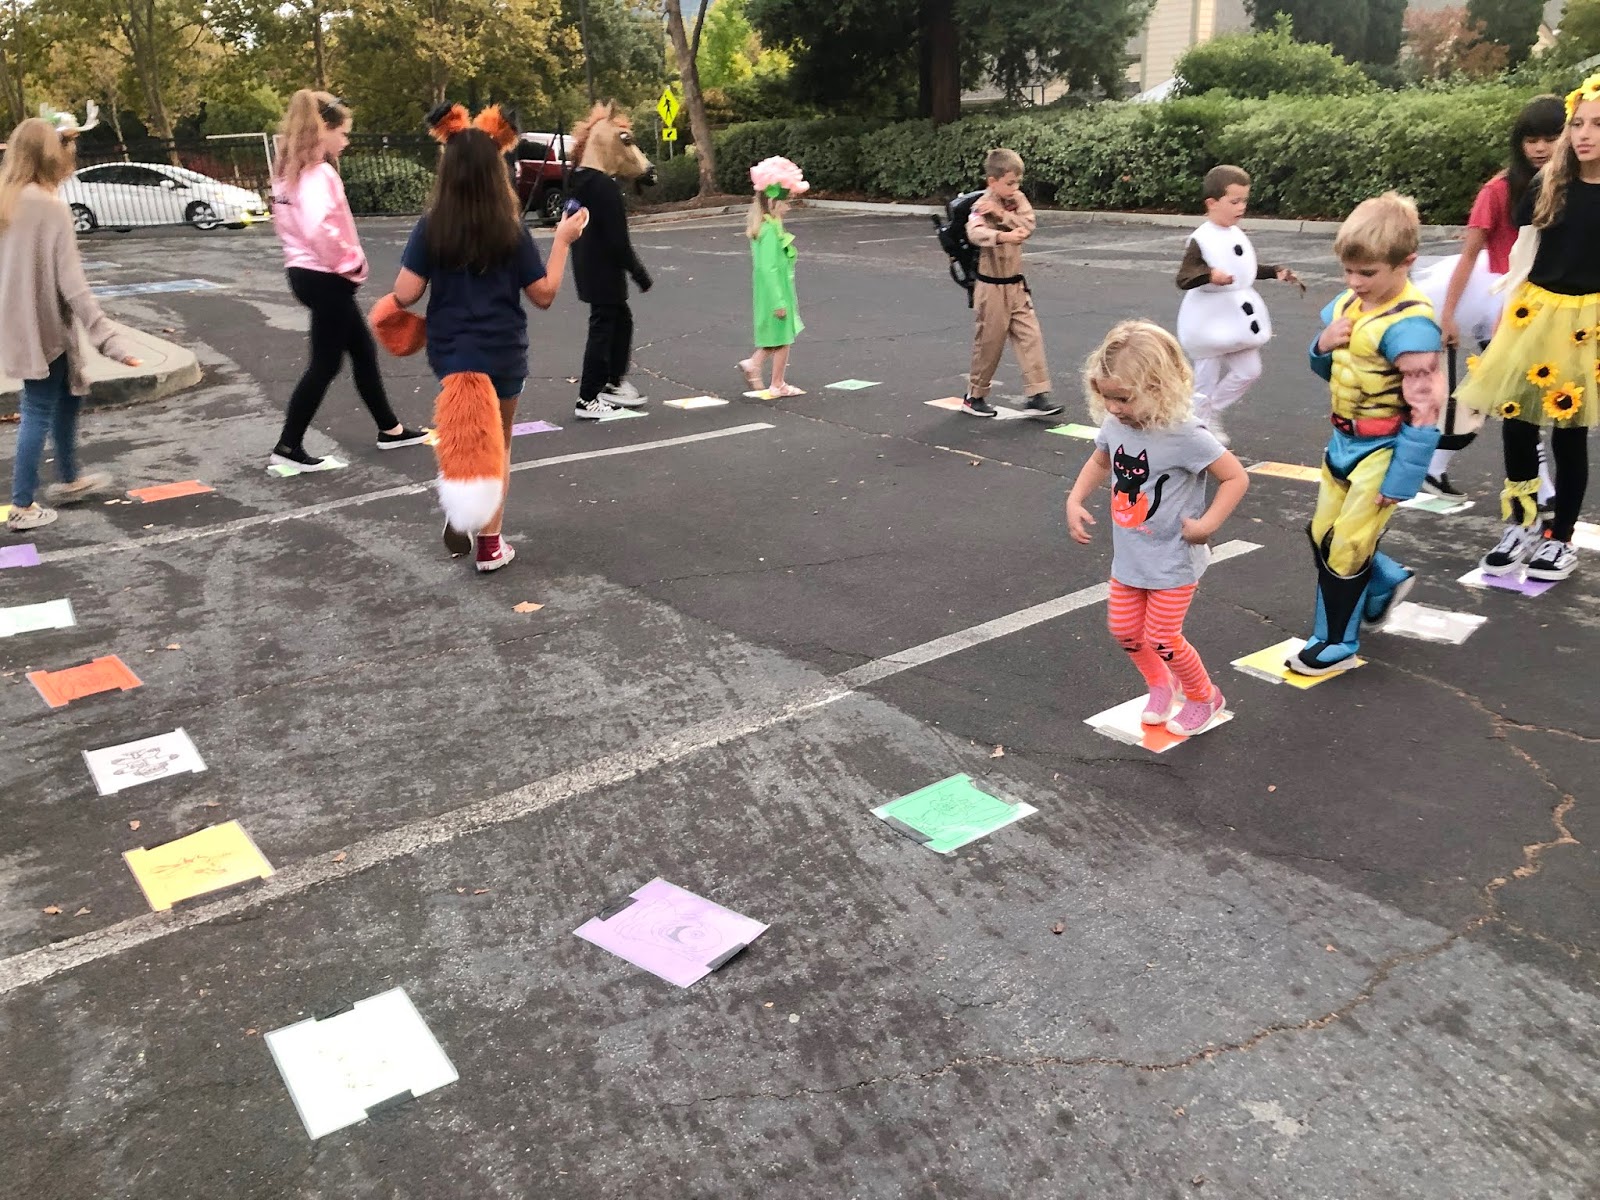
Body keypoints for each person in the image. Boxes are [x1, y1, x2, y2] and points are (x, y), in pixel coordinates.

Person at [389, 103, 584, 573]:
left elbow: (405, 293)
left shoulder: (431, 226)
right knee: (500, 443)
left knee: (463, 431)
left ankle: (462, 504)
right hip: (502, 353)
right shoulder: (510, 229)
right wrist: (562, 240)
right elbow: (543, 295)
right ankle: (491, 543)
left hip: (452, 351)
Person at [1288, 193, 1445, 676]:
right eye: (1348, 272)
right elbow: (1333, 371)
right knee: (1322, 534)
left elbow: (1427, 410)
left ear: (1406, 263)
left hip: (1384, 445)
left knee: (1349, 544)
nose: (1355, 283)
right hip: (1342, 441)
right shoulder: (1348, 304)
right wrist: (1321, 343)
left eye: (1368, 273)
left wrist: (1402, 479)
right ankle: (1384, 582)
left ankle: (1335, 641)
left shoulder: (1411, 325)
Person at [1066, 320, 1247, 737]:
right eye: (1104, 396)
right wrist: (1075, 500)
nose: (1112, 408)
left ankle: (1204, 696)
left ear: (1158, 387)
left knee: (1163, 637)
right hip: (1130, 555)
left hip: (1173, 558)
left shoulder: (1187, 435)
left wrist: (1207, 525)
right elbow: (1100, 460)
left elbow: (1235, 477)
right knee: (1125, 631)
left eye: (1122, 398)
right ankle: (1159, 685)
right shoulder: (1117, 426)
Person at [1455, 75, 1600, 583]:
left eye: (1597, 124)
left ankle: (1560, 540)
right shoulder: (1548, 184)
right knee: (1517, 423)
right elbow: (1523, 255)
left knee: (1569, 432)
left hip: (1588, 323)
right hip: (1535, 312)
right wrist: (1506, 308)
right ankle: (1520, 523)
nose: (1584, 135)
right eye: (1577, 123)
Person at [1414, 94, 1564, 500]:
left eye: (1550, 138)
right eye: (1530, 139)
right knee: (1519, 402)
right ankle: (1545, 491)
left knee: (1505, 398)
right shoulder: (1499, 190)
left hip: (1563, 306)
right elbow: (1468, 256)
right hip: (1505, 304)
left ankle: (1433, 467)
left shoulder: (1576, 188)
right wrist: (1447, 316)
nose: (1539, 148)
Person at [270, 89, 425, 471]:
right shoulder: (318, 173)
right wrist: (351, 264)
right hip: (325, 275)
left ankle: (389, 428)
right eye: (343, 133)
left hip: (305, 273)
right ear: (324, 131)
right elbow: (320, 227)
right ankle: (288, 446)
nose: (347, 140)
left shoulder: (289, 171)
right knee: (325, 364)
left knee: (361, 350)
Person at [1, 113, 141, 532]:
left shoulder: (6, 201)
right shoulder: (50, 209)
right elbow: (73, 286)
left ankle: (68, 479)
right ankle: (23, 505)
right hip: (45, 327)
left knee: (67, 396)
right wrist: (110, 340)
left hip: (18, 325)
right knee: (40, 406)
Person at [1175, 164, 1300, 446]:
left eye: (1244, 200)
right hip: (1208, 320)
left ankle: (1210, 412)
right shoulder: (1202, 238)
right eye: (1234, 201)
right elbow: (1184, 278)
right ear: (1212, 203)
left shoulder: (1233, 233)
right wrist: (1209, 276)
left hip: (1235, 319)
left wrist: (1274, 271)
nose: (1241, 207)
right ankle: (1197, 429)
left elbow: (1244, 269)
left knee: (1249, 371)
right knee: (1204, 380)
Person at [567, 102, 656, 419]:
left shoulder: (578, 180)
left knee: (619, 319)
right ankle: (589, 397)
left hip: (587, 265)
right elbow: (619, 240)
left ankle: (612, 382)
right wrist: (639, 273)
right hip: (604, 268)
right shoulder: (604, 187)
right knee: (604, 326)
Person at [960, 149, 1062, 419]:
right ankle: (975, 395)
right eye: (1009, 183)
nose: (1015, 188)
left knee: (1031, 337)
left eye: (1017, 182)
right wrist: (1002, 235)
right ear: (992, 182)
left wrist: (1004, 216)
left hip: (1015, 285)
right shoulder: (980, 204)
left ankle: (1037, 393)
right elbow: (975, 232)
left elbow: (1028, 224)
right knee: (989, 343)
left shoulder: (1018, 201)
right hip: (990, 286)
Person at [738, 156, 807, 398]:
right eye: (785, 202)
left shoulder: (770, 227)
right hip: (775, 292)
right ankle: (777, 383)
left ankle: (754, 364)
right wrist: (778, 301)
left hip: (776, 290)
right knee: (783, 338)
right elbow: (768, 268)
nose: (788, 207)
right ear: (772, 201)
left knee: (778, 335)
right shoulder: (768, 231)